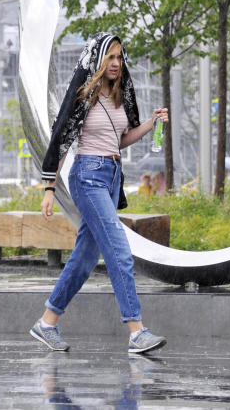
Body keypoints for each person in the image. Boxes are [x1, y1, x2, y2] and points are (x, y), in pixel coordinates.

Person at [30, 32, 169, 355]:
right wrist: (49, 188)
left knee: (85, 258)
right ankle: (136, 332)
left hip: (110, 177)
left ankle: (46, 323)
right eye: (111, 57)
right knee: (119, 251)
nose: (117, 63)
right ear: (98, 59)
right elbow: (62, 139)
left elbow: (119, 140)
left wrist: (150, 124)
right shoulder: (84, 96)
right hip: (88, 177)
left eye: (120, 57)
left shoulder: (118, 96)